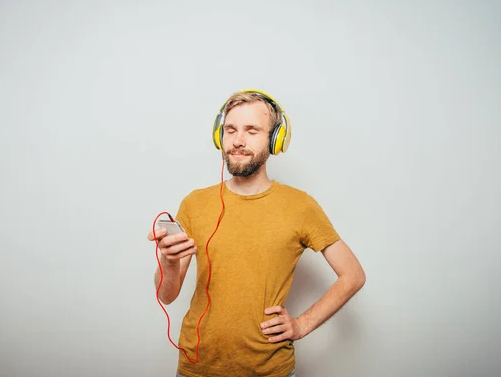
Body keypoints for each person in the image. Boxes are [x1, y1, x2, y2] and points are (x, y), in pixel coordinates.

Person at [147, 89, 366, 377]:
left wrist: (301, 325)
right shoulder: (194, 203)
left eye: (252, 131)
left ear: (275, 139)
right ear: (219, 136)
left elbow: (353, 275)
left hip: (270, 370)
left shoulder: (300, 206)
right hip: (196, 369)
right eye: (230, 130)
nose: (238, 141)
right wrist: (169, 262)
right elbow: (168, 295)